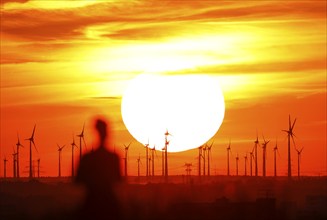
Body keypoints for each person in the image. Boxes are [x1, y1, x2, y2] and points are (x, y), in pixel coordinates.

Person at [75, 117, 122, 220]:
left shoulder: (87, 158)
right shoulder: (113, 157)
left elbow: (77, 180)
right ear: (107, 133)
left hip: (91, 202)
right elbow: (119, 180)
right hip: (109, 202)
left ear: (95, 131)